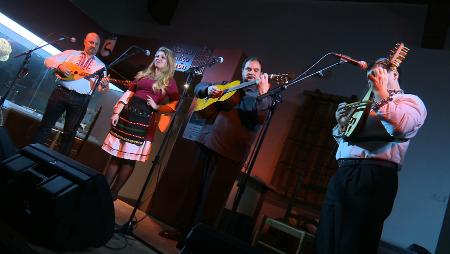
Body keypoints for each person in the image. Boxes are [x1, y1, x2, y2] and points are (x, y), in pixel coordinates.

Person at [315, 57, 427, 254]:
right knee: (327, 238)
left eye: (378, 74)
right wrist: (341, 123)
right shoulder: (363, 106)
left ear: (395, 74)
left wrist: (381, 93)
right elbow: (344, 139)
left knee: (354, 242)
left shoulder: (409, 101)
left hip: (373, 174)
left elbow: (401, 127)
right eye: (370, 76)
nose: (372, 78)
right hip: (344, 172)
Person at [164, 56, 272, 246]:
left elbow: (260, 117)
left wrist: (263, 93)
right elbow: (199, 88)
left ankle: (196, 241)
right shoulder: (231, 84)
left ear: (261, 74)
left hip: (229, 154)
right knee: (193, 190)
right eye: (248, 69)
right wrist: (208, 89)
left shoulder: (261, 95)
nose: (251, 72)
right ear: (242, 71)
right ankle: (181, 230)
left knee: (211, 201)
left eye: (255, 70)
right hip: (207, 142)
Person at [102, 46, 179, 201]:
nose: (158, 58)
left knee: (129, 159)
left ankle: (113, 193)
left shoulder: (169, 82)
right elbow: (129, 92)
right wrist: (117, 112)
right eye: (157, 56)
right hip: (127, 115)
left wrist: (158, 107)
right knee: (116, 155)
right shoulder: (144, 74)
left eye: (162, 57)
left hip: (145, 121)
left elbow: (176, 101)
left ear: (168, 62)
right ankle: (103, 190)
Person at [33, 32, 109, 155]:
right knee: (45, 127)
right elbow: (48, 60)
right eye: (91, 42)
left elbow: (102, 89)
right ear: (85, 41)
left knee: (69, 136)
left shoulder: (101, 66)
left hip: (80, 101)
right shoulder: (71, 53)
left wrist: (104, 86)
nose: (93, 45)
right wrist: (59, 66)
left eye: (96, 44)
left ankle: (59, 165)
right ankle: (32, 154)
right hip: (60, 93)